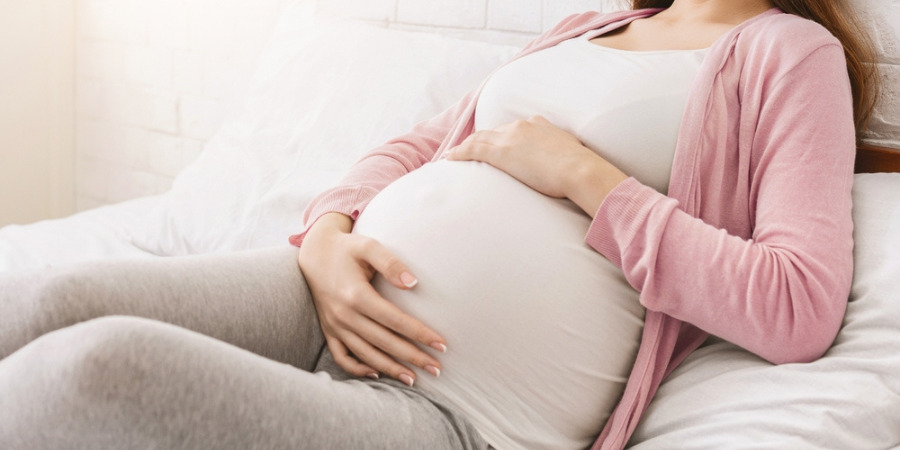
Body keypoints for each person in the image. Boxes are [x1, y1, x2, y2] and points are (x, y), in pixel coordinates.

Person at [0, 0, 879, 448]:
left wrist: (585, 176)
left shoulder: (789, 51)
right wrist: (329, 234)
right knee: (45, 301)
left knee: (95, 368)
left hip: (458, 408)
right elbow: (415, 145)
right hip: (326, 297)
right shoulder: (592, 27)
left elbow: (796, 305)